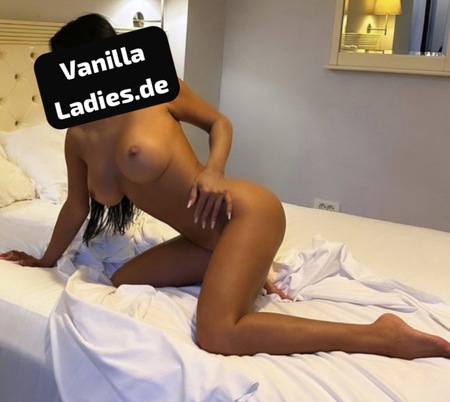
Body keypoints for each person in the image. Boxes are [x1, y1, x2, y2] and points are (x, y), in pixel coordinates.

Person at [2, 13, 450, 359]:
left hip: (246, 214)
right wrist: (44, 260)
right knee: (122, 279)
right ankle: (242, 267)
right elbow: (76, 207)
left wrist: (214, 170)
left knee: (218, 335)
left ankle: (381, 336)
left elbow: (219, 122)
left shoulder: (157, 90)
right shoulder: (78, 137)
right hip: (204, 241)